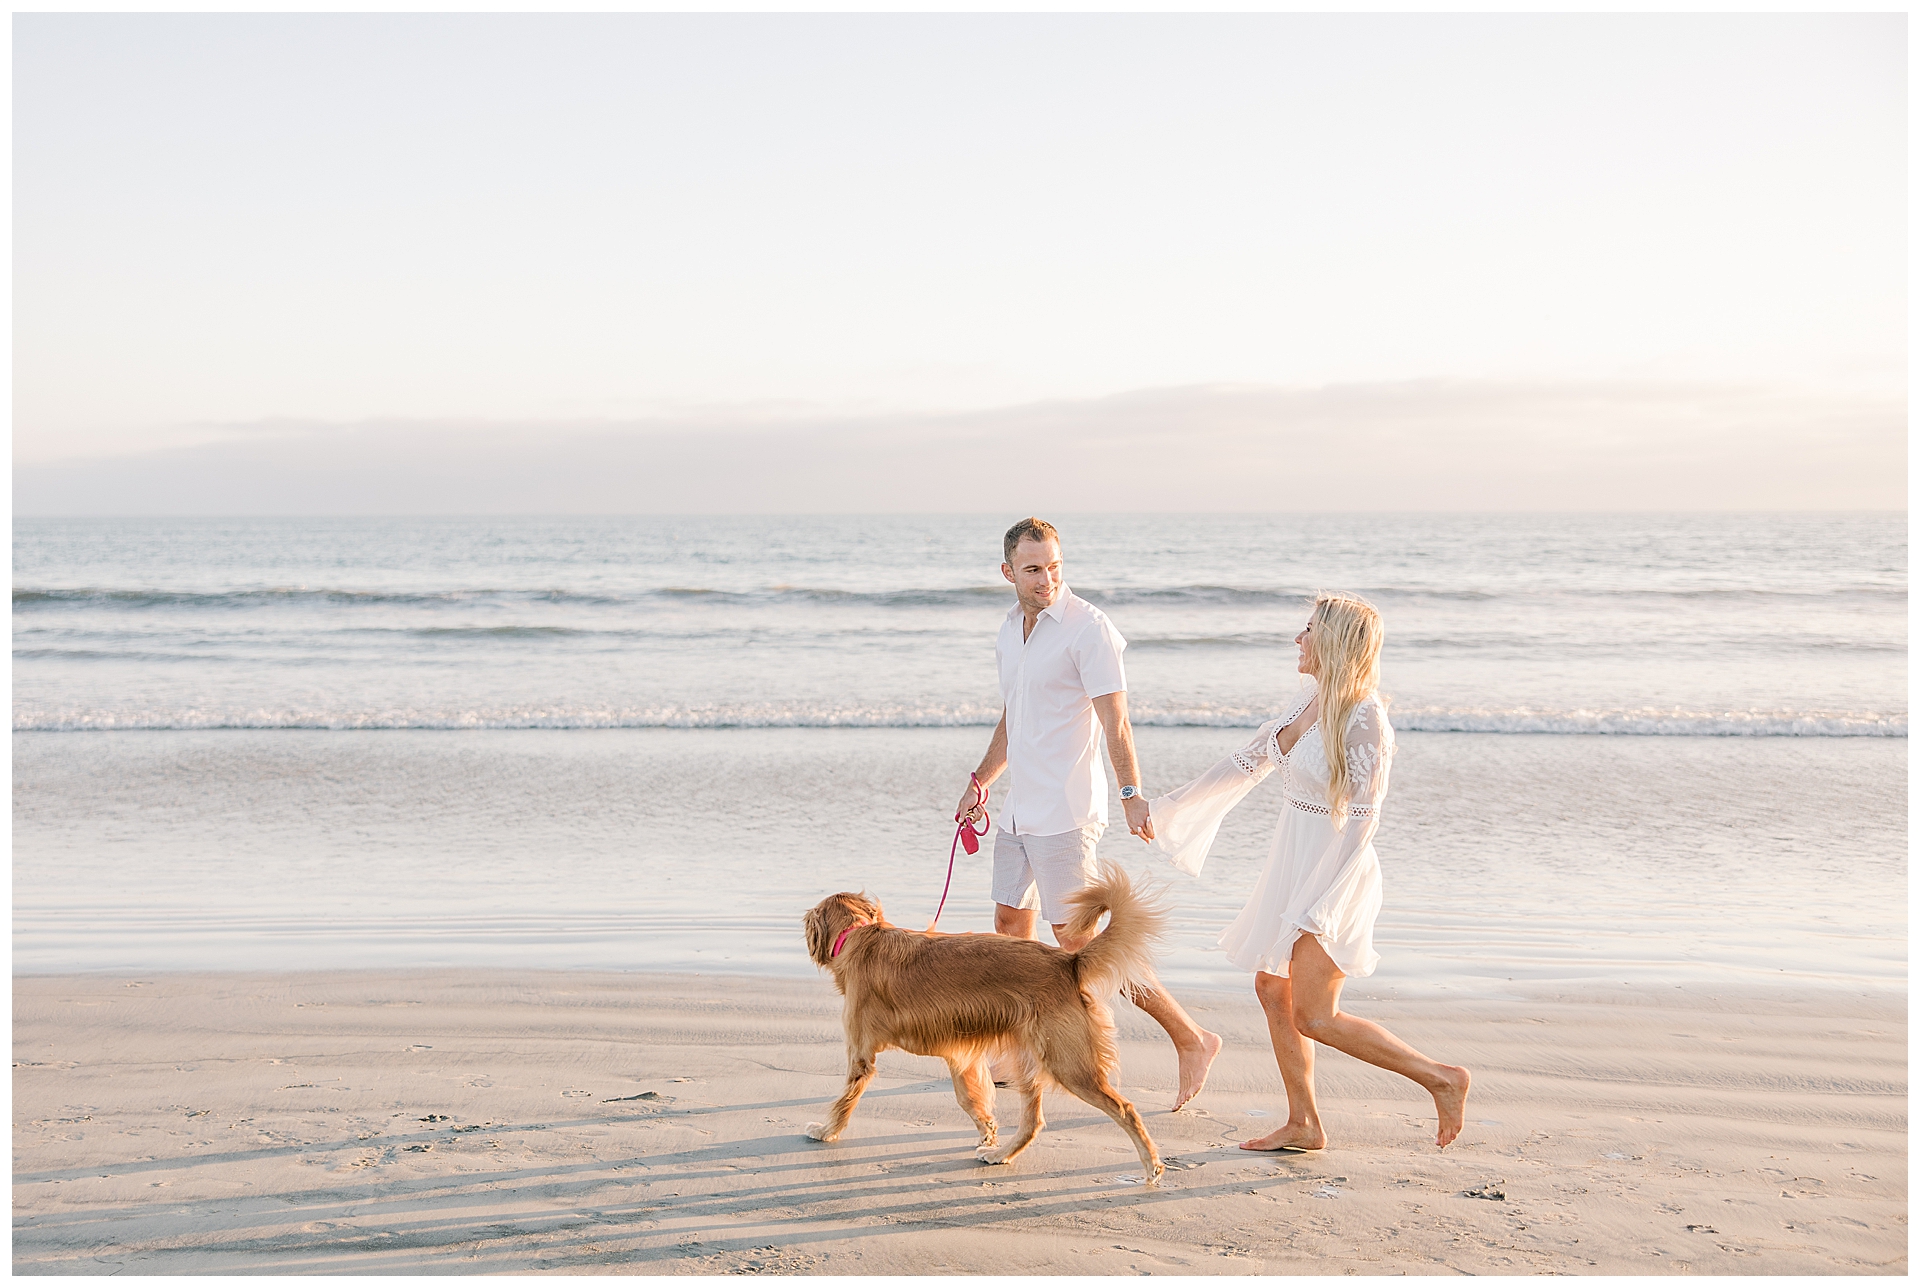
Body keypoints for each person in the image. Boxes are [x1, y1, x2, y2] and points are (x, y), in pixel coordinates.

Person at [1147, 592, 1471, 1150]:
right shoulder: (1310, 703)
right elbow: (1245, 764)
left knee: (1315, 1016)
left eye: (1309, 629)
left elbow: (1364, 822)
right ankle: (1304, 1124)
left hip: (1334, 876)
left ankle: (1442, 1078)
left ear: (1337, 642)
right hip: (1291, 866)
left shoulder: (1366, 717)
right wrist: (1167, 809)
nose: (1298, 639)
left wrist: (1319, 902)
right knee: (1272, 989)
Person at [956, 516, 1222, 1111]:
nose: (1046, 577)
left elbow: (1115, 720)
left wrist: (1132, 794)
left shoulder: (1089, 629)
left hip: (1067, 812)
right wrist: (981, 780)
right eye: (1032, 568)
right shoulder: (1008, 630)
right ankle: (1021, 1053)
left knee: (1079, 946)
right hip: (1019, 811)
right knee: (1008, 928)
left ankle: (1190, 1036)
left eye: (1054, 565)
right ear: (1008, 573)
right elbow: (1013, 719)